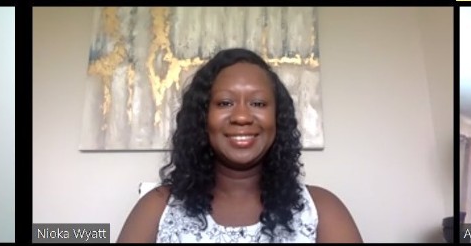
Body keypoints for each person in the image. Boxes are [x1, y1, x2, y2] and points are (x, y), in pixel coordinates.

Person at [116, 48, 362, 242]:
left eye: (258, 103)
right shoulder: (157, 207)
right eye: (224, 103)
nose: (242, 117)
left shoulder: (322, 210)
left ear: (277, 118)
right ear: (203, 117)